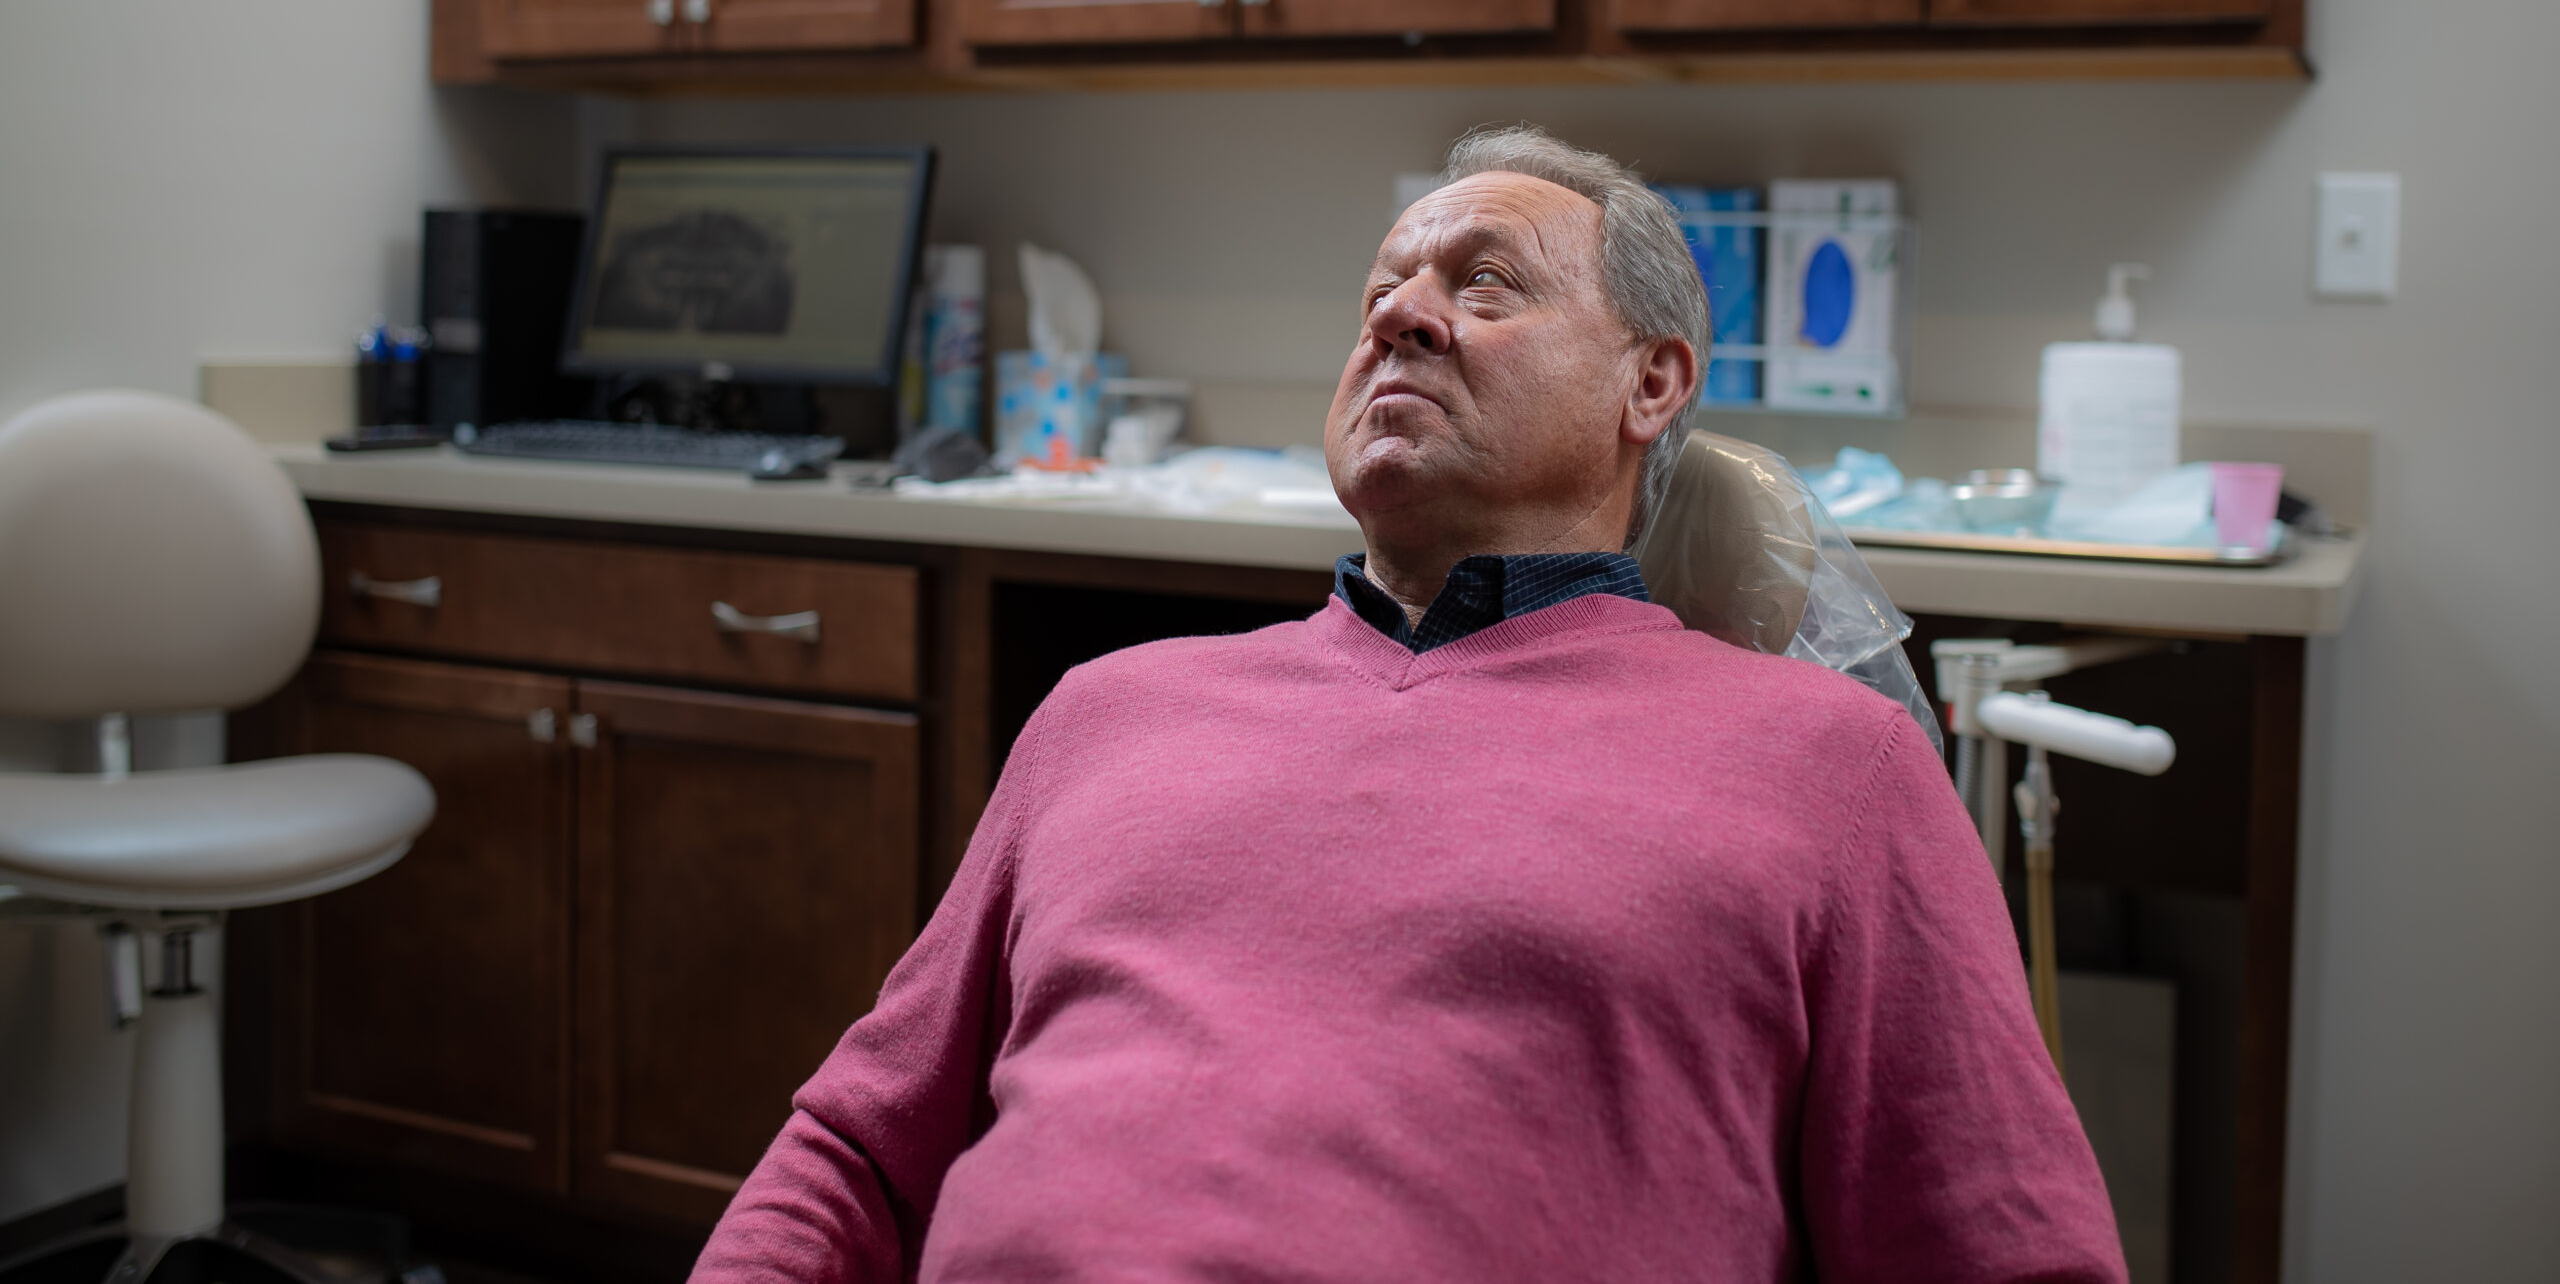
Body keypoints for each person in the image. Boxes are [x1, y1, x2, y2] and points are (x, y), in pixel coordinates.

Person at [693, 127, 2124, 1283]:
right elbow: (856, 1157)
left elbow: (2007, 1254)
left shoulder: (1832, 770)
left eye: (1486, 282)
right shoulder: (1105, 714)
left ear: (1654, 382)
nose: (1400, 317)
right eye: (1382, 290)